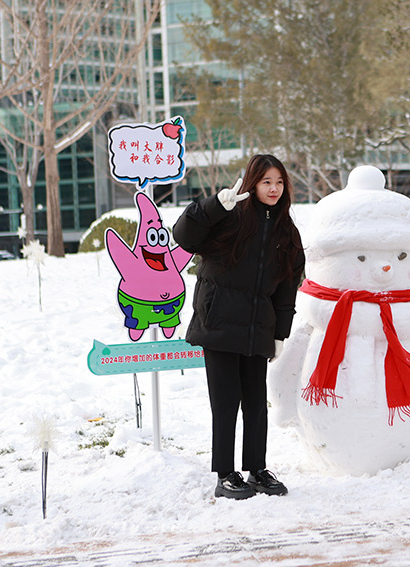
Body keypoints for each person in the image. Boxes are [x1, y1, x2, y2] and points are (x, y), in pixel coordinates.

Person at [173, 154, 305, 500]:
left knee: (256, 403)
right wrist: (215, 205)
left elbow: (287, 287)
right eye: (266, 182)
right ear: (252, 183)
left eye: (278, 182)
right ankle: (225, 472)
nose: (273, 189)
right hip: (218, 321)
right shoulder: (228, 218)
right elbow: (183, 235)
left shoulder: (286, 232)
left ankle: (257, 468)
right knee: (226, 400)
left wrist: (280, 333)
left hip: (256, 327)